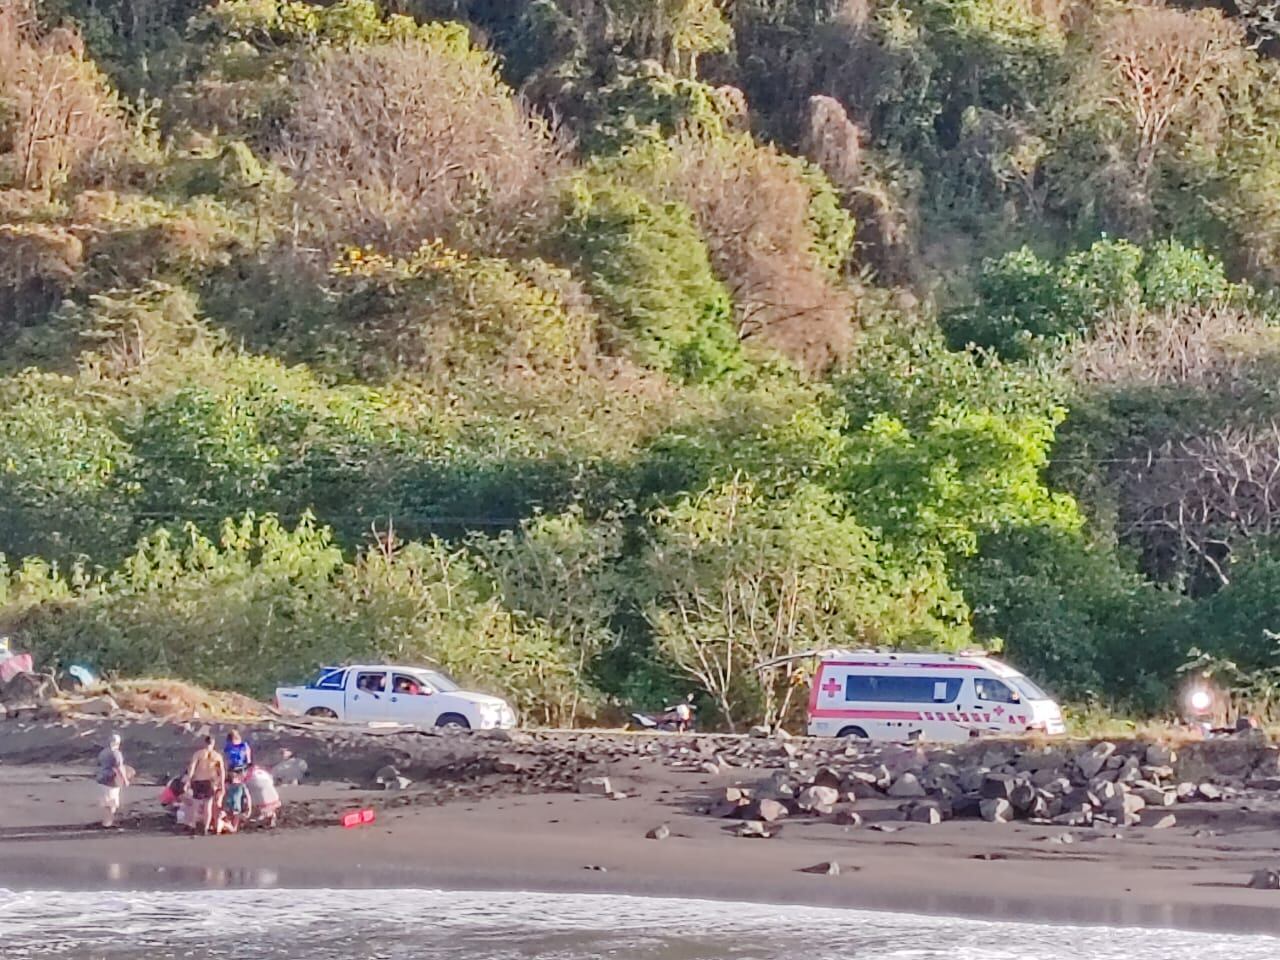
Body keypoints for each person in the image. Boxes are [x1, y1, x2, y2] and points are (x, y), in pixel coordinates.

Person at [186, 735, 226, 835]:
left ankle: (193, 825)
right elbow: (221, 772)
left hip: (198, 781)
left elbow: (192, 767)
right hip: (210, 782)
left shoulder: (198, 754)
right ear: (213, 744)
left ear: (204, 743)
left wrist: (188, 780)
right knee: (208, 806)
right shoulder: (217, 756)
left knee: (196, 804)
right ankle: (206, 828)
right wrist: (222, 785)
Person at [95, 733, 130, 828]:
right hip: (111, 779)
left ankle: (106, 821)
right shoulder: (116, 753)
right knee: (112, 802)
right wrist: (125, 779)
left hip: (101, 778)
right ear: (117, 743)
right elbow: (119, 767)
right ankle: (108, 822)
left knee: (106, 802)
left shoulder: (103, 752)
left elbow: (98, 764)